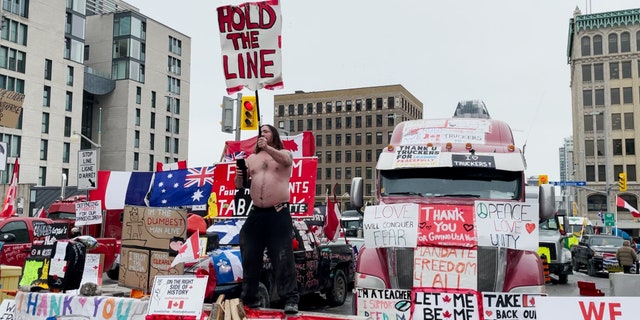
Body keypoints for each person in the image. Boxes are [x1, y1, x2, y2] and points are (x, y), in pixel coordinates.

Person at [235, 124, 299, 314]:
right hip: (256, 212)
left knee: (282, 256)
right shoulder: (252, 159)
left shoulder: (282, 153)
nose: (262, 134)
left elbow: (287, 161)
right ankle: (250, 297)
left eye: (266, 131)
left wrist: (268, 148)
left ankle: (290, 299)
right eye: (260, 132)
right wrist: (239, 176)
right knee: (249, 252)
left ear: (274, 135)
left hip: (278, 212)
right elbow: (240, 186)